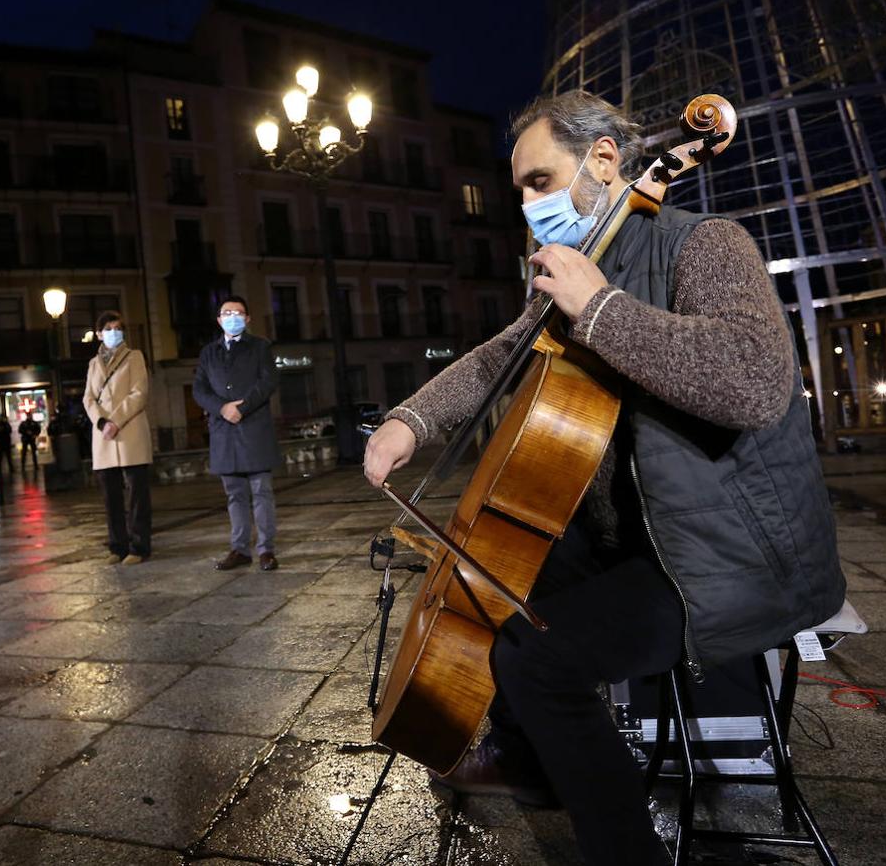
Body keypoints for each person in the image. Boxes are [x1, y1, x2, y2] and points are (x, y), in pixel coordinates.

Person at [362, 90, 846, 865]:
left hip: (733, 553)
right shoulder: (584, 268)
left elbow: (756, 384)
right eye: (521, 190)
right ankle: (532, 761)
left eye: (540, 182)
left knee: (537, 656)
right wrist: (408, 422)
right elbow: (501, 355)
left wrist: (603, 309)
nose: (527, 205)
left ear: (604, 160)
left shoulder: (705, 245)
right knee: (498, 584)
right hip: (645, 532)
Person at [192, 295, 281, 572]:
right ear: (219, 320)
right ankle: (240, 549)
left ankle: (266, 550)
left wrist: (242, 407)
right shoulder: (209, 353)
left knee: (261, 492)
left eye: (238, 312)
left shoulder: (260, 347)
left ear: (248, 318)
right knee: (234, 495)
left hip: (253, 428)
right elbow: (199, 389)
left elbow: (268, 381)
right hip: (224, 433)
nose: (232, 316)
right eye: (227, 312)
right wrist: (221, 408)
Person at [83, 311, 152, 565]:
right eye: (109, 328)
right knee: (110, 496)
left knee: (137, 495)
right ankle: (117, 546)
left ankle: (139, 546)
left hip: (130, 431)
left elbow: (139, 392)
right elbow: (88, 398)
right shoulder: (93, 364)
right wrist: (101, 422)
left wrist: (115, 420)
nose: (114, 332)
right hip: (103, 437)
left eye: (118, 327)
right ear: (99, 333)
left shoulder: (134, 357)